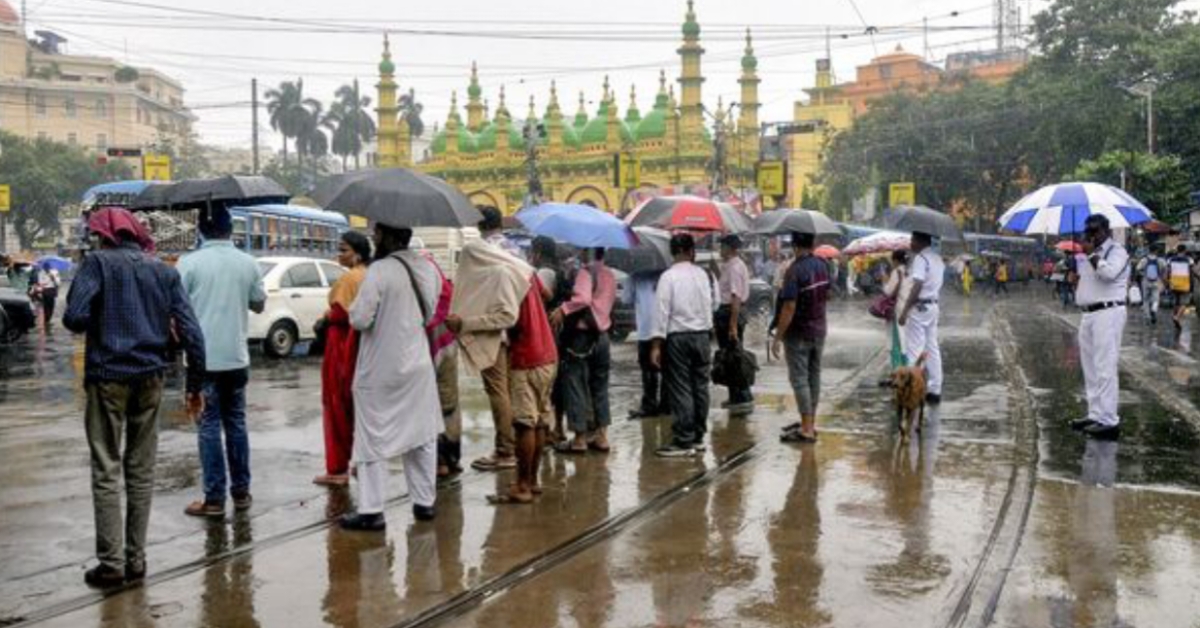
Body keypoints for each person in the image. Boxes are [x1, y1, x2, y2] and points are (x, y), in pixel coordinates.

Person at [63, 207, 206, 587]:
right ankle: (136, 559)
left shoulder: (97, 264)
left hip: (107, 375)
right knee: (141, 471)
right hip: (150, 377)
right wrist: (195, 385)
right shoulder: (162, 270)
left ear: (104, 235)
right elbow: (192, 330)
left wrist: (102, 314)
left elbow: (73, 318)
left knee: (106, 467)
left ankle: (111, 564)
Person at [342, 223, 443, 531]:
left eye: (376, 234)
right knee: (422, 435)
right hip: (418, 364)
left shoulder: (380, 270)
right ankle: (425, 503)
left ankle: (372, 510)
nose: (373, 239)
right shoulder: (429, 269)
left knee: (373, 435)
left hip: (381, 368)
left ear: (387, 236)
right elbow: (430, 314)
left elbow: (359, 319)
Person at [446, 246, 558, 503]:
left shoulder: (503, 275)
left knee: (524, 424)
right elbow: (546, 293)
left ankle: (522, 486)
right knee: (539, 420)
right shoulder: (525, 271)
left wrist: (465, 324)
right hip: (547, 352)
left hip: (527, 357)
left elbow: (506, 316)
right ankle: (533, 481)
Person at [176, 209, 267, 518]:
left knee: (209, 425)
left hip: (202, 361)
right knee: (237, 423)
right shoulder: (248, 263)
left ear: (201, 230)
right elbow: (259, 303)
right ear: (231, 230)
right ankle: (241, 492)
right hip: (237, 358)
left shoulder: (188, 264)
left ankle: (214, 499)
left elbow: (176, 309)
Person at [313, 232, 371, 487]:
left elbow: (339, 313)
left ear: (357, 252)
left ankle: (337, 468)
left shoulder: (350, 278)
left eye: (344, 249)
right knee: (360, 408)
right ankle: (362, 462)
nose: (339, 254)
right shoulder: (371, 275)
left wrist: (325, 318)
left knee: (336, 405)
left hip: (341, 345)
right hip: (363, 345)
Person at [465, 207, 520, 472]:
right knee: (508, 389)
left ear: (479, 225)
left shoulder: (481, 251)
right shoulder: (514, 248)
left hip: (493, 329)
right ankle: (514, 444)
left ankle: (505, 449)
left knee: (497, 391)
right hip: (516, 329)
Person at [651, 234, 715, 457]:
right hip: (702, 336)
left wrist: (656, 344)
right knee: (700, 387)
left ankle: (683, 439)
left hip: (678, 337)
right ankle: (697, 436)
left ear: (673, 252)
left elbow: (661, 311)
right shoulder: (703, 275)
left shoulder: (668, 277)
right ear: (691, 251)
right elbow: (711, 304)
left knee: (681, 388)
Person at [550, 248, 617, 453]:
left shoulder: (585, 272)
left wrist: (563, 309)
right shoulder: (610, 275)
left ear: (587, 251)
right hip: (602, 336)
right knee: (600, 386)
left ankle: (579, 439)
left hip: (582, 337)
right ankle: (602, 437)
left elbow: (583, 299)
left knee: (576, 383)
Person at [1070, 215, 1129, 441]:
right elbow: (1087, 281)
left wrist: (1091, 254)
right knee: (1090, 367)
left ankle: (1109, 420)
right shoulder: (1086, 253)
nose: (1091, 235)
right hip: (1088, 314)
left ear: (1106, 230)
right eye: (1088, 230)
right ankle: (1095, 413)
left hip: (1108, 312)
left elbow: (1108, 274)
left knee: (1105, 366)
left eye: (1095, 230)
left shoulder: (1117, 251)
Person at [771, 232, 831, 443]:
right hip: (819, 330)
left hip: (798, 334)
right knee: (813, 377)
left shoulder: (794, 270)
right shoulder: (823, 265)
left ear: (795, 245)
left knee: (799, 380)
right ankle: (810, 423)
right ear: (813, 243)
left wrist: (778, 336)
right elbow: (828, 295)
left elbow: (789, 306)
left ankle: (806, 428)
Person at [897, 231, 945, 404]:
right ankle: (935, 390)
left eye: (912, 240)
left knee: (914, 349)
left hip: (919, 307)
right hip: (933, 306)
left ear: (920, 241)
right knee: (932, 348)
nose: (910, 243)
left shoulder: (920, 259)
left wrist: (905, 310)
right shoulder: (937, 259)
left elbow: (917, 286)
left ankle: (912, 390)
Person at [715, 235, 754, 413]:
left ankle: (742, 395)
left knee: (734, 357)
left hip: (731, 313)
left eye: (722, 246)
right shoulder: (729, 266)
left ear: (730, 248)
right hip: (727, 312)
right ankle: (735, 395)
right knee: (730, 356)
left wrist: (732, 325)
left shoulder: (736, 267)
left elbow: (736, 297)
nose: (720, 250)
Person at [628, 270, 669, 419]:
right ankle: (666, 405)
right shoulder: (666, 275)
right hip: (664, 329)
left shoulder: (635, 276)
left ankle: (650, 405)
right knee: (665, 369)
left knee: (648, 370)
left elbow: (626, 298)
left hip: (645, 330)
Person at [1167, 244, 1192, 330]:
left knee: (1176, 302)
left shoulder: (1170, 259)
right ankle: (1177, 317)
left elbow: (1168, 271)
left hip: (1174, 283)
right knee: (1185, 303)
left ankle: (1175, 316)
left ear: (1177, 250)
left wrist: (1168, 282)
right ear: (1184, 251)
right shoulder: (1189, 259)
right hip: (1184, 283)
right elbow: (1193, 271)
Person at [1138, 248, 1164, 325]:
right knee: (1156, 299)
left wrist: (1143, 274)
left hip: (1146, 281)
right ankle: (1154, 310)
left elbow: (1138, 268)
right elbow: (1164, 268)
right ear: (1156, 251)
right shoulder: (1160, 260)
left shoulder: (1144, 260)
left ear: (1149, 251)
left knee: (1146, 300)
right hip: (1156, 281)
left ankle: (1147, 317)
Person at [33, 266, 61, 331]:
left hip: (52, 290)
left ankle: (48, 319)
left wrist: (53, 278)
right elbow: (39, 282)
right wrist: (43, 283)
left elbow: (58, 283)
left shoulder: (55, 272)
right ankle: (46, 319)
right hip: (45, 290)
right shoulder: (41, 272)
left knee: (51, 306)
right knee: (45, 306)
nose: (46, 268)